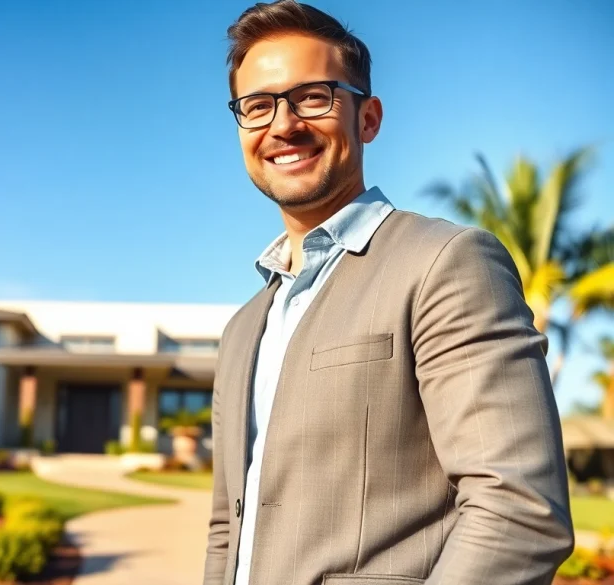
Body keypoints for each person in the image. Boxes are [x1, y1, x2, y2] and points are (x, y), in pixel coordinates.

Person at [203, 2, 575, 584]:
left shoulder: (443, 264)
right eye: (258, 106)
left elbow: (520, 513)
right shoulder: (242, 329)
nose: (283, 125)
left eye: (313, 97)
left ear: (368, 118)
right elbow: (228, 529)